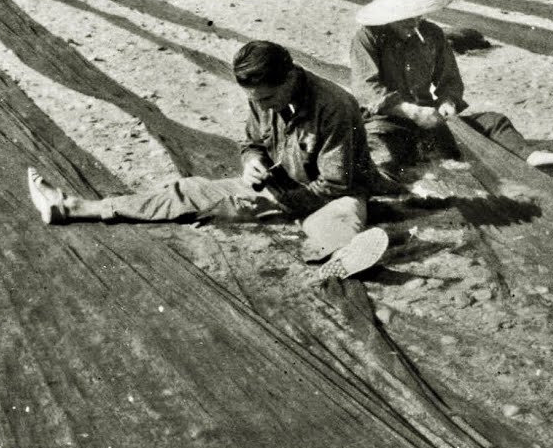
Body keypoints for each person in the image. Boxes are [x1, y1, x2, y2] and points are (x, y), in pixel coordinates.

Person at [25, 41, 392, 280]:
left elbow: (336, 184)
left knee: (339, 223)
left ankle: (340, 257)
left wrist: (277, 201)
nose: (261, 106)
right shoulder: (262, 95)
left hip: (335, 195)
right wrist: (252, 162)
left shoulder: (334, 107)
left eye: (267, 99)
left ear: (291, 77)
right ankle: (72, 208)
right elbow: (252, 142)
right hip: (280, 185)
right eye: (256, 100)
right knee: (188, 191)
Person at [351, 0, 553, 182]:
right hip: (390, 121)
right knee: (381, 146)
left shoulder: (432, 34)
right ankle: (388, 175)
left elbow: (449, 80)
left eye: (416, 12)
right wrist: (411, 111)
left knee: (494, 123)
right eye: (404, 15)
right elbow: (366, 89)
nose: (413, 20)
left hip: (431, 120)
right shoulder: (368, 38)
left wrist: (447, 102)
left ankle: (533, 159)